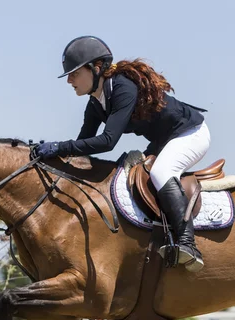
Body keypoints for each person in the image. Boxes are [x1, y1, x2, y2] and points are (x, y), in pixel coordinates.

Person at [34, 35, 211, 272]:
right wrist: (49, 158)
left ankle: (188, 244)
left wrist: (59, 146)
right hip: (162, 141)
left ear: (96, 69)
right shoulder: (95, 104)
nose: (69, 81)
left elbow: (107, 141)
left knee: (161, 172)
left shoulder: (122, 88)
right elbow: (82, 146)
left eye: (74, 73)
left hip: (190, 133)